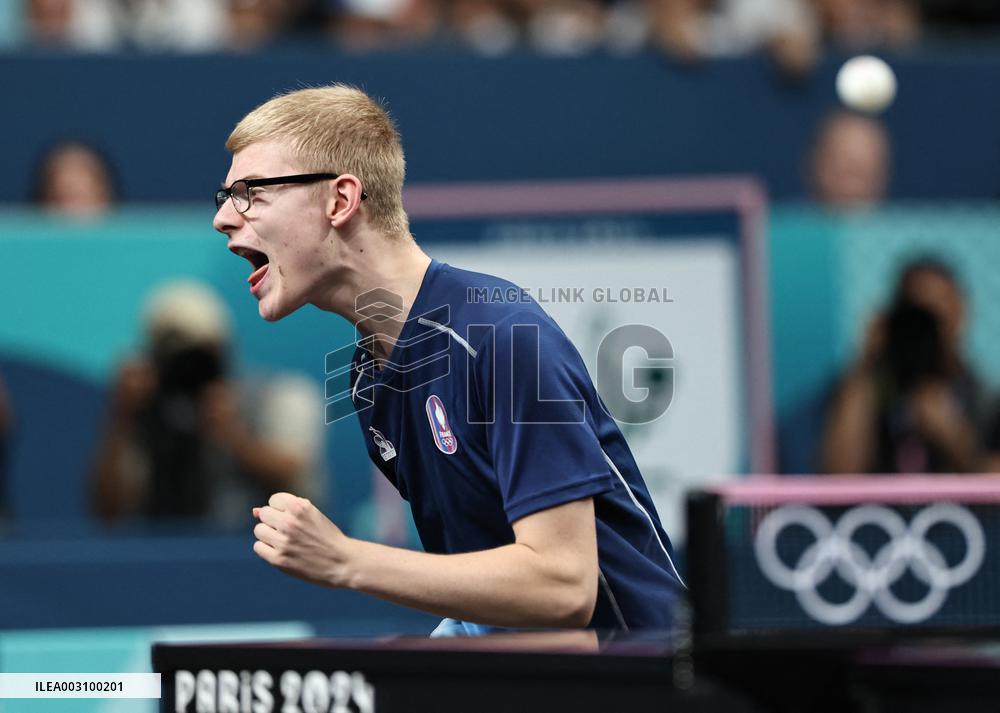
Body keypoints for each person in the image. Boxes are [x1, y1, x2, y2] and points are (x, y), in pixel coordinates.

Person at [213, 84, 684, 632]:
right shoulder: (369, 377)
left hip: (646, 681)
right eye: (224, 196)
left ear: (339, 201)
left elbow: (563, 584)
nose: (225, 216)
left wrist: (346, 559)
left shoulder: (503, 339)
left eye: (250, 192)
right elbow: (487, 583)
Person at [90, 280, 323, 529]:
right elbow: (108, 512)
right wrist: (122, 417)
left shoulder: (281, 394)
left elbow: (294, 477)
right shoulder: (144, 411)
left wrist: (232, 436)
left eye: (195, 353)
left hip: (262, 553)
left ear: (221, 347)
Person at [820, 258, 992, 474]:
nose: (924, 331)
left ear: (960, 312)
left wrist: (955, 440)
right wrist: (867, 362)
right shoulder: (866, 389)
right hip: (878, 509)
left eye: (935, 316)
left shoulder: (986, 401)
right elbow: (838, 477)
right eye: (915, 316)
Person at [808, 110, 891, 211]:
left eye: (862, 165)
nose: (853, 174)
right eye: (842, 162)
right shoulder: (788, 223)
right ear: (819, 165)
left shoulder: (906, 224)